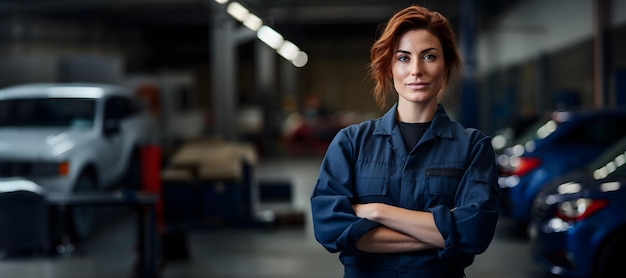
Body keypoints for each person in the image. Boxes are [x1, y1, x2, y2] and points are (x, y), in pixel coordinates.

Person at [310, 4, 501, 278]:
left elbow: (475, 232)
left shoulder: (473, 147)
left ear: (445, 66)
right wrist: (446, 234)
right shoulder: (351, 143)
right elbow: (329, 227)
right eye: (403, 58)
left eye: (429, 56)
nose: (416, 70)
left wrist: (377, 212)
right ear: (389, 67)